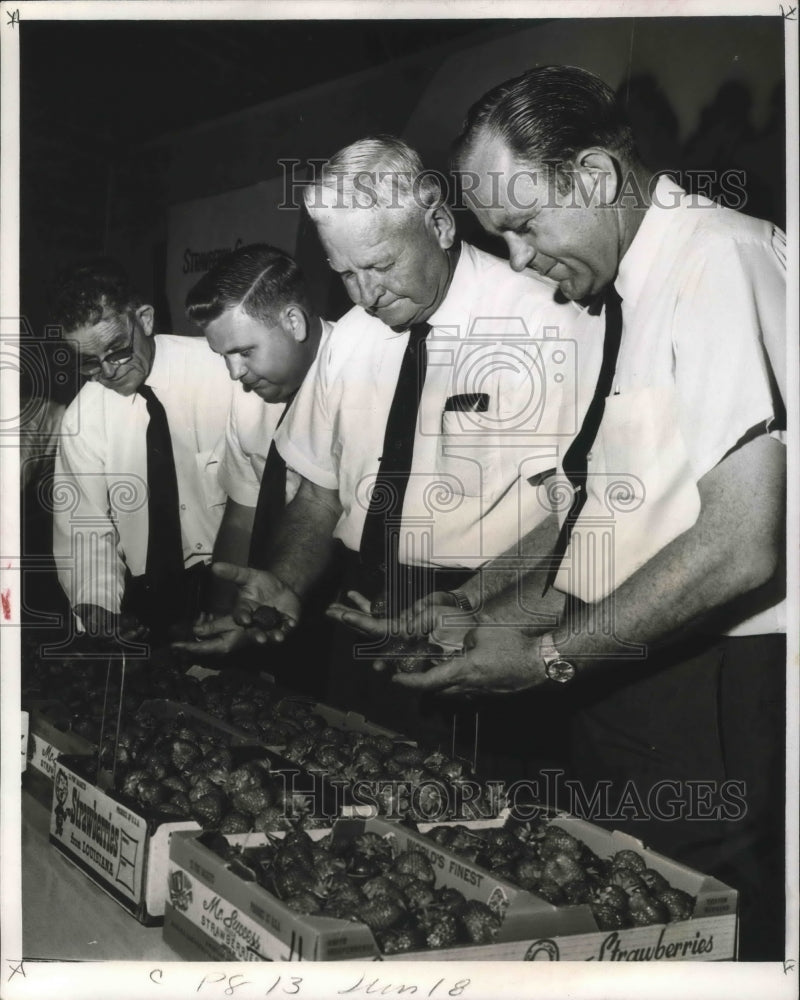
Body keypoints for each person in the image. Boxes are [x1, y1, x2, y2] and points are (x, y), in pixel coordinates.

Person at [377, 67, 785, 959]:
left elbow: (743, 544)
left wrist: (547, 661)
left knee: (715, 936)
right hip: (632, 677)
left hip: (712, 688)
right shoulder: (625, 291)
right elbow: (589, 506)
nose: (520, 259)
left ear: (596, 177)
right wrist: (479, 604)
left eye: (524, 226)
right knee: (637, 929)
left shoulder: (716, 258)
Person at [211, 135, 602, 752]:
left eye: (381, 267)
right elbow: (319, 493)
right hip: (357, 612)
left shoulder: (546, 321)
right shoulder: (351, 338)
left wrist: (473, 608)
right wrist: (287, 580)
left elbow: (573, 519)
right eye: (344, 274)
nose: (364, 296)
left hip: (481, 621)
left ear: (441, 225)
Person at [174, 244, 336, 692]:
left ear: (294, 322)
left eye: (244, 351)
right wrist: (225, 616)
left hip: (344, 610)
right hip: (274, 601)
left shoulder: (361, 376)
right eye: (223, 356)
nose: (233, 373)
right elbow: (243, 513)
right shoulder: (250, 401)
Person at [52, 258, 235, 642]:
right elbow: (83, 527)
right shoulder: (83, 419)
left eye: (116, 350)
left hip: (234, 577)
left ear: (145, 320)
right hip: (146, 592)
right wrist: (97, 603)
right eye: (89, 363)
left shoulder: (224, 371)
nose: (108, 371)